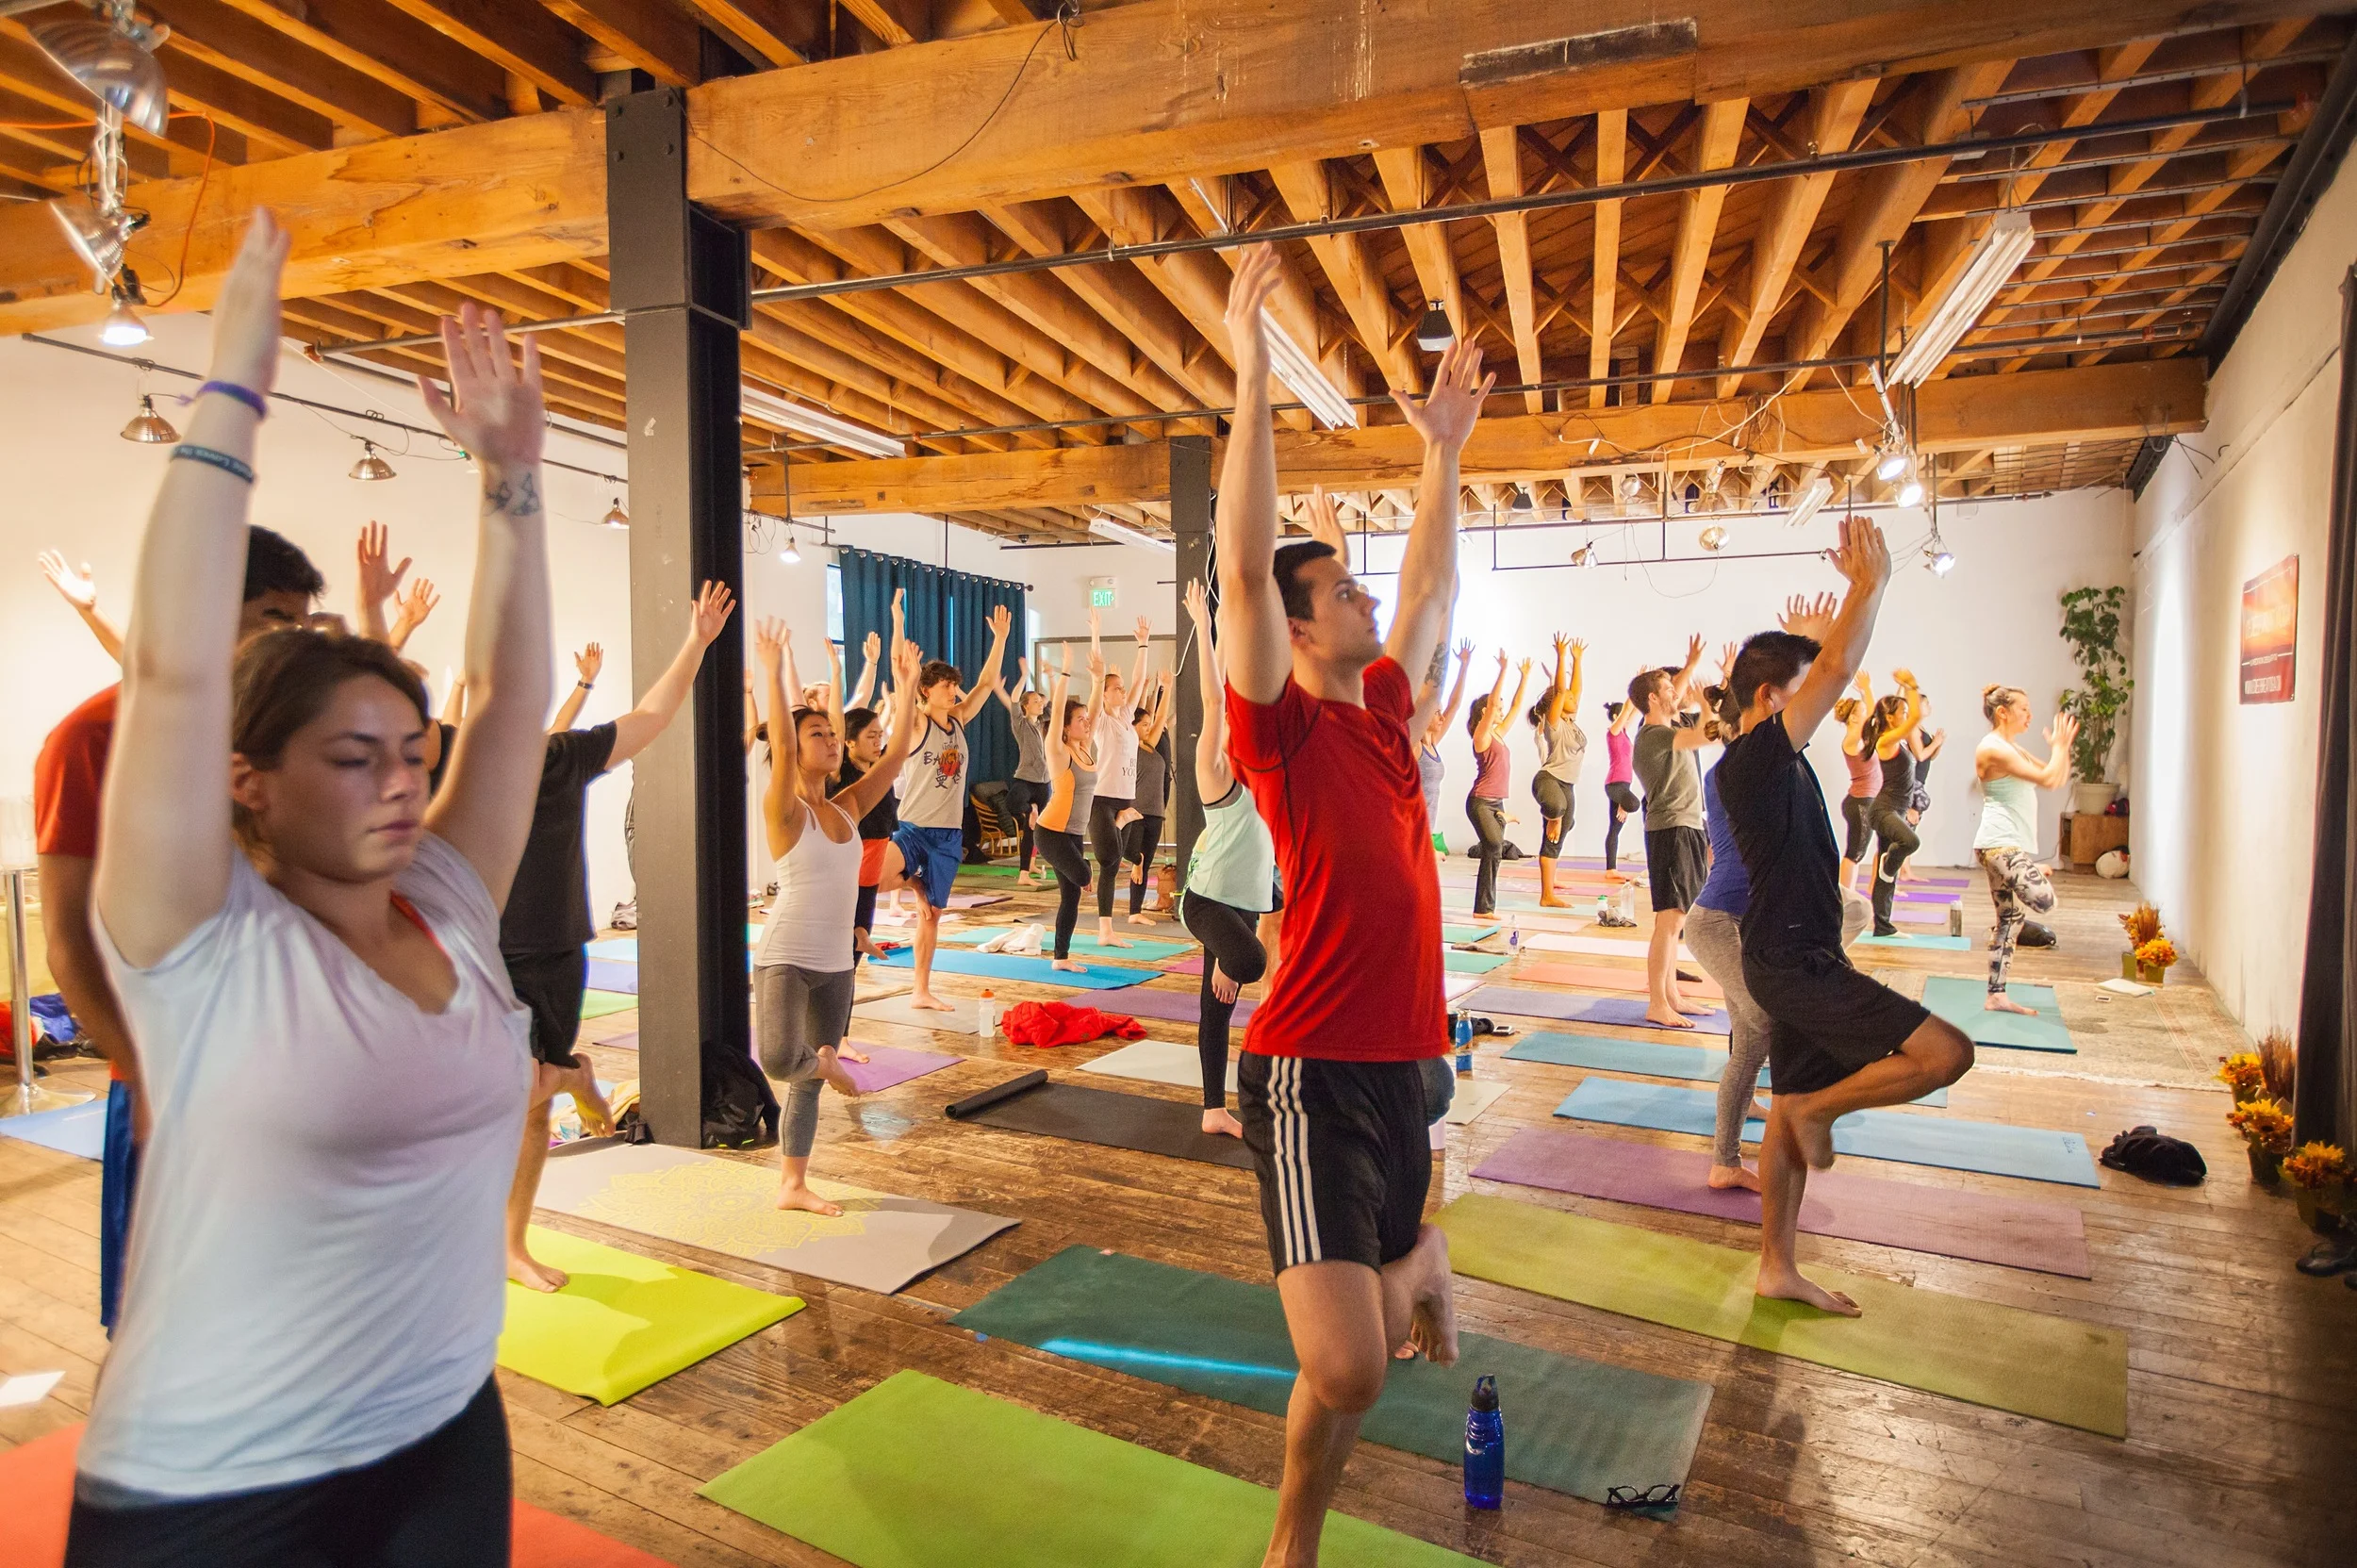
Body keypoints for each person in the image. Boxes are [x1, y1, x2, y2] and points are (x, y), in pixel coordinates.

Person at [71, 228, 551, 1557]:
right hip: (219, 1482)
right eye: (352, 759)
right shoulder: (199, 939)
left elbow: (508, 700)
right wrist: (232, 389)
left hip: (447, 1431)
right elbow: (171, 669)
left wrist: (512, 475)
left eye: (410, 754)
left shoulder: (447, 897)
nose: (401, 786)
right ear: (252, 778)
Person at [1214, 244, 1487, 1568]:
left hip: (1408, 1065)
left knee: (1348, 1362)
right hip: (1310, 1063)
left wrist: (1440, 451)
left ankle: (1290, 1547)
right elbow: (1242, 557)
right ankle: (1413, 1266)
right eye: (1346, 592)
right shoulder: (1279, 726)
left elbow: (1432, 584)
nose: (1372, 599)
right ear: (1299, 621)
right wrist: (1255, 376)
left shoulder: (1384, 706)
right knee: (1356, 1364)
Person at [36, 529, 323, 1340]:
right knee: (168, 1323)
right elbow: (69, 938)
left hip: (291, 1065)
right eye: (273, 617)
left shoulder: (274, 740)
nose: (290, 640)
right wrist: (153, 1073)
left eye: (301, 622)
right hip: (177, 1072)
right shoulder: (95, 736)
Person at [1716, 516, 1975, 1319]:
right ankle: (1819, 1110)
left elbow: (1818, 670)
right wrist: (1872, 584)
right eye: (1807, 691)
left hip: (1799, 954)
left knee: (1787, 1107)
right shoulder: (1755, 760)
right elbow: (1833, 669)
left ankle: (1776, 1265)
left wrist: (1806, 636)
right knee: (1946, 1052)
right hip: (1792, 962)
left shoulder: (1775, 757)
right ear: (1770, 699)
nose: (1824, 705)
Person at [502, 579, 736, 1292]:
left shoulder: (561, 756)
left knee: (527, 1108)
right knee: (511, 1090)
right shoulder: (453, 753)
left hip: (558, 947)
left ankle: (511, 1242)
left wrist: (696, 642)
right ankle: (572, 1075)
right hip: (481, 951)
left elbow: (651, 715)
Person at [751, 619, 923, 1214]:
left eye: (832, 732)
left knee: (805, 1083)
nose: (831, 739)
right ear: (791, 748)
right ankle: (825, 1064)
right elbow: (777, 741)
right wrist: (773, 673)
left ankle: (793, 1183)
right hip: (786, 957)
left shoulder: (847, 807)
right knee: (781, 1059)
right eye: (817, 733)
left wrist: (904, 690)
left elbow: (897, 754)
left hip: (835, 964)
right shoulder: (784, 806)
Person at [1177, 579, 1278, 1139]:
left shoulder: (1264, 777)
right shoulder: (1216, 775)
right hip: (1209, 901)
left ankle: (1213, 1108)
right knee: (1248, 965)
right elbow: (1215, 700)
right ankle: (1225, 958)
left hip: (1245, 900)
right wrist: (1203, 625)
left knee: (1217, 1009)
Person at [879, 603, 1014, 1010]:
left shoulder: (956, 720)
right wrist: (900, 622)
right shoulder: (917, 721)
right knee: (874, 879)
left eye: (955, 686)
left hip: (948, 835)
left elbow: (987, 683)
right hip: (913, 828)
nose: (954, 692)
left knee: (932, 916)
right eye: (945, 687)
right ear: (926, 690)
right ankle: (912, 886)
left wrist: (1001, 639)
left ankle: (921, 990)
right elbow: (903, 675)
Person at [1972, 685, 2076, 1011]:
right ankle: (2027, 876)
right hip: (1999, 844)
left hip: (2004, 845)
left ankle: (1996, 994)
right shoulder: (1993, 748)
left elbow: (2055, 776)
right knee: (2044, 900)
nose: (2029, 715)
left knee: (2012, 920)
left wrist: (2063, 748)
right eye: (2024, 709)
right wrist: (2059, 746)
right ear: (2002, 712)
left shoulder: (2010, 747)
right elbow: (2048, 778)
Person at [1631, 636, 1714, 1028]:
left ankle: (1673, 995)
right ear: (1651, 698)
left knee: (1676, 920)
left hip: (1688, 825)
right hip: (1671, 830)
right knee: (1669, 920)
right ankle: (1656, 1003)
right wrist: (1706, 701)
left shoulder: (1669, 723)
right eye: (1666, 689)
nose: (1675, 691)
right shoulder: (1655, 735)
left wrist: (1692, 664)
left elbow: (1677, 697)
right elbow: (1705, 734)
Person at [1085, 609, 1154, 948]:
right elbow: (1097, 680)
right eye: (1117, 688)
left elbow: (1141, 682)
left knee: (1113, 868)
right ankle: (1124, 820)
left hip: (1126, 800)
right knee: (1107, 856)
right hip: (1103, 798)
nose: (1123, 692)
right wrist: (1097, 635)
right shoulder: (1100, 720)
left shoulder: (1127, 718)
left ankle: (1106, 930)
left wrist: (1143, 645)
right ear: (1105, 692)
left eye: (1122, 688)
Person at [1029, 647, 1099, 972]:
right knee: (1083, 874)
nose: (1086, 723)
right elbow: (1057, 712)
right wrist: (1065, 672)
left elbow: (1095, 711)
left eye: (1087, 719)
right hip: (1051, 832)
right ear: (1067, 728)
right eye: (1080, 720)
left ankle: (1061, 958)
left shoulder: (1085, 748)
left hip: (1072, 834)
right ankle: (1082, 869)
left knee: (1071, 897)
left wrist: (1098, 680)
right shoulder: (1059, 752)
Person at [1463, 652, 1529, 916]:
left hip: (1496, 802)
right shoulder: (1481, 736)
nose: (1501, 711)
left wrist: (1524, 677)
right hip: (1480, 802)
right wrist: (1502, 670)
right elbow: (1493, 706)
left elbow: (1515, 706)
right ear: (1485, 712)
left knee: (1495, 852)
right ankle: (1483, 908)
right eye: (1495, 709)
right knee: (1493, 848)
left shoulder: (1498, 735)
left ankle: (1485, 907)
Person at [1861, 672, 1925, 938]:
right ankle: (1888, 864)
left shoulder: (1896, 740)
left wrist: (1901, 690)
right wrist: (1912, 686)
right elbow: (1915, 719)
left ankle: (1884, 926)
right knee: (1910, 843)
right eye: (1903, 711)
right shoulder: (1886, 741)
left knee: (1888, 876)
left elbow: (1909, 718)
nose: (1907, 714)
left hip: (1896, 809)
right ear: (1891, 718)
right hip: (1883, 810)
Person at [1527, 633, 1587, 908]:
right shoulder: (1555, 724)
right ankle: (1553, 815)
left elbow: (1574, 690)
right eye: (1569, 697)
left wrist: (1578, 660)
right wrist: (1562, 656)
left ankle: (1547, 894)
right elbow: (1563, 692)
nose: (1574, 697)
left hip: (1568, 785)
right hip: (1549, 779)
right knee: (1557, 808)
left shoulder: (1572, 722)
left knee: (1558, 836)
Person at [995, 656, 1054, 886]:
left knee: (1033, 828)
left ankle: (1025, 872)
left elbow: (1050, 701)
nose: (1040, 704)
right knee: (1014, 805)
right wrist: (1023, 676)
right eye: (1035, 701)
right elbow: (1013, 700)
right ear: (1026, 706)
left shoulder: (1042, 723)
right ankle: (1031, 809)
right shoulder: (1021, 723)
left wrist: (1046, 680)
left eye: (1040, 702)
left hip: (1044, 781)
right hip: (1025, 779)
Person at [1124, 669, 1177, 922]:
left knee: (1145, 862)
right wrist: (1142, 689)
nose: (1149, 727)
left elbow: (1161, 716)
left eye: (1149, 724)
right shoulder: (1129, 746)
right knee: (1137, 858)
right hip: (1137, 811)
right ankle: (1133, 910)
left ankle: (1135, 912)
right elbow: (1131, 712)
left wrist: (1166, 687)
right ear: (1131, 727)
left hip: (1155, 813)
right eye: (1143, 724)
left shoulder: (1151, 746)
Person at [1415, 639, 1474, 850]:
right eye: (1436, 712)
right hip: (1413, 824)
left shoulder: (1433, 744)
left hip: (1428, 825)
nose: (1441, 717)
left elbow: (1454, 705)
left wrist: (1464, 667)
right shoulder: (1416, 747)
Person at [1835, 675, 1878, 890]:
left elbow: (1874, 717)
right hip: (1861, 803)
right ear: (1852, 718)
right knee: (1854, 853)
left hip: (1865, 801)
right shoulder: (1852, 739)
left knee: (1858, 854)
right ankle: (1845, 897)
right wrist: (1866, 690)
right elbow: (1873, 714)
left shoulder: (1862, 738)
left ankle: (1850, 894)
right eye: (1860, 712)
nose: (1865, 715)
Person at [1601, 699, 1641, 878]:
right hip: (1614, 784)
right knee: (1633, 804)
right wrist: (1633, 693)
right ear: (1616, 716)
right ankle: (1623, 803)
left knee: (1615, 829)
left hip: (1624, 786)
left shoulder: (1624, 732)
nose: (1627, 718)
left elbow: (1633, 712)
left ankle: (1611, 870)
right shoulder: (1613, 733)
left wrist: (1641, 692)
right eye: (1623, 715)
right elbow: (1627, 711)